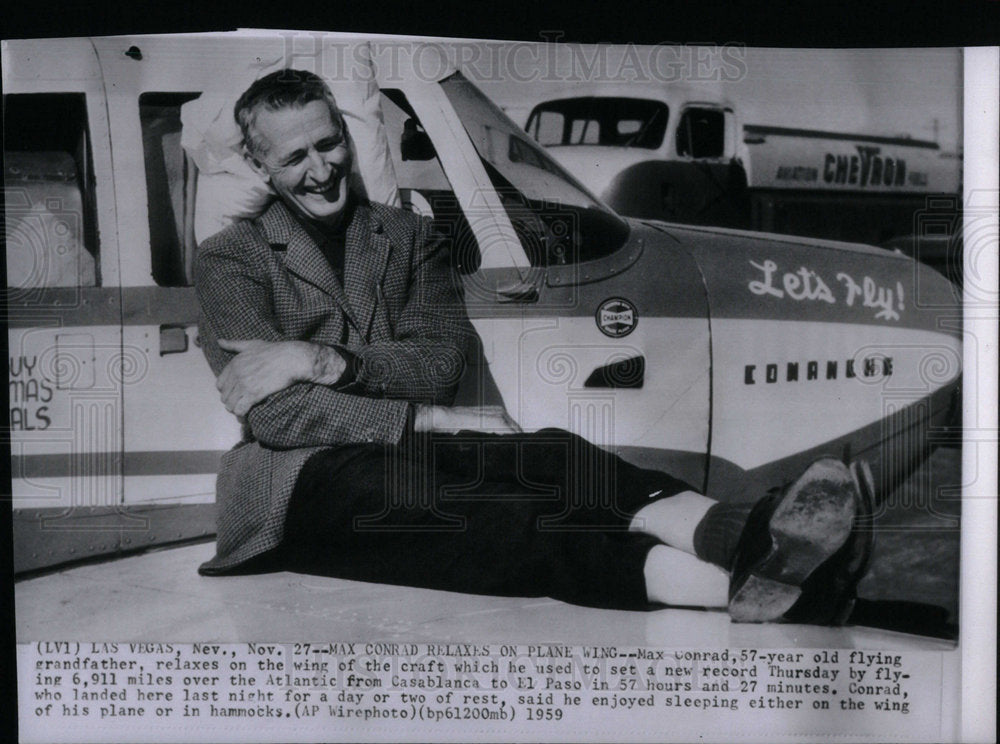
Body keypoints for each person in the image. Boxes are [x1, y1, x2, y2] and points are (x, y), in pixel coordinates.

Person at [194, 69, 872, 623]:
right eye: (294, 156)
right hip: (296, 486)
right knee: (506, 518)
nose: (321, 169)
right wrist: (422, 417)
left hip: (403, 445)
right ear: (260, 164)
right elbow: (277, 419)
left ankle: (742, 532)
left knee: (554, 453)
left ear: (344, 133)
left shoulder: (405, 235)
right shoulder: (231, 260)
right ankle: (762, 594)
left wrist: (320, 360)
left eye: (328, 143)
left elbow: (440, 361)